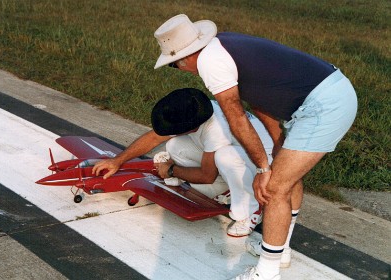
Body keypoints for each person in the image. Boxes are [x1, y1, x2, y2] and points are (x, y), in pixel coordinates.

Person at [153, 14, 357, 280]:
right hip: (323, 96)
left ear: (184, 57)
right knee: (286, 178)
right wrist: (277, 144)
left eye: (173, 65)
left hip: (323, 106)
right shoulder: (223, 46)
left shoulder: (210, 62)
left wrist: (263, 168)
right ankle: (279, 251)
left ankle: (267, 272)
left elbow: (237, 118)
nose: (177, 70)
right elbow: (260, 100)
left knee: (274, 189)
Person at [92, 88, 274, 237]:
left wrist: (171, 170)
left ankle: (251, 211)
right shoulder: (194, 112)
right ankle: (226, 188)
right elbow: (154, 137)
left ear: (191, 126)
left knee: (224, 157)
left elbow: (207, 176)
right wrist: (118, 161)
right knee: (174, 144)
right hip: (234, 154)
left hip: (261, 161)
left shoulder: (217, 128)